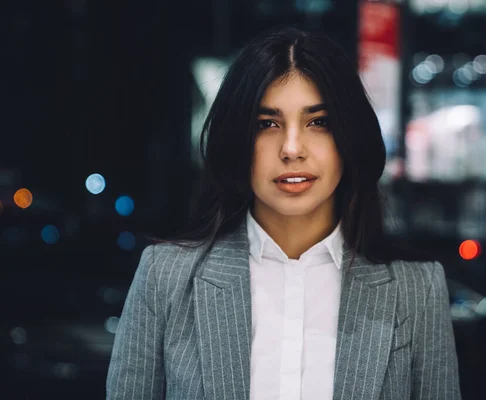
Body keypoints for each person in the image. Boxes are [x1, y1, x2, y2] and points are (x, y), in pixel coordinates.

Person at [106, 27, 461, 400]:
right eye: (267, 124)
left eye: (318, 122)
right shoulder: (165, 278)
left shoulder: (417, 289)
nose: (292, 148)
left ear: (349, 136)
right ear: (238, 139)